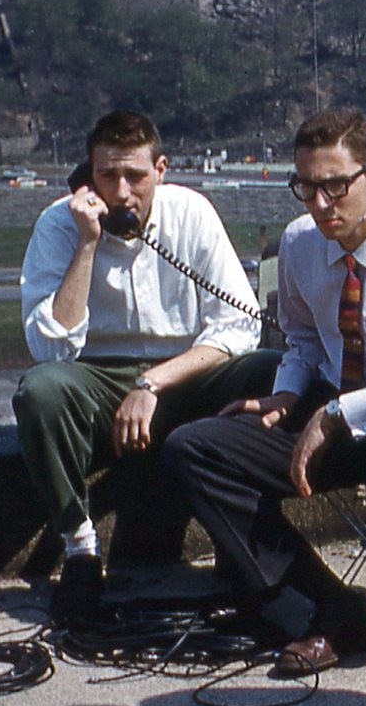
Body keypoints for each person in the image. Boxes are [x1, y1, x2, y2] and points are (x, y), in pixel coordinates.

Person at [161, 107, 366, 684]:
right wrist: (287, 395)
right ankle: (330, 608)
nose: (319, 204)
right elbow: (305, 337)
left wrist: (335, 413)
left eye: (335, 185)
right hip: (336, 415)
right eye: (306, 187)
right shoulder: (299, 245)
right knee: (194, 447)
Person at [14, 110, 275, 622]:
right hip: (95, 375)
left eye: (134, 175)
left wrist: (151, 382)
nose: (122, 191)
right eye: (107, 176)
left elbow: (241, 325)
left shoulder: (192, 214)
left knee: (270, 367)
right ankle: (81, 548)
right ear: (88, 179)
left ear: (160, 169)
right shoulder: (58, 225)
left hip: (182, 371)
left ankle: (245, 537)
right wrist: (88, 243)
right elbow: (49, 349)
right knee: (39, 392)